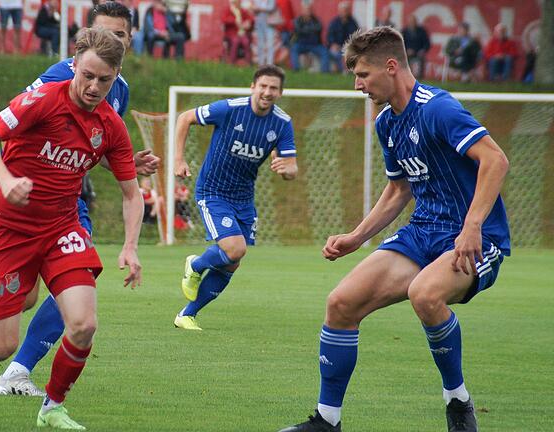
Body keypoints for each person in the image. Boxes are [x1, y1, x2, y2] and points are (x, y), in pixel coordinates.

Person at [0, 1, 160, 399]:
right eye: (103, 33)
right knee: (24, 300)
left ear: (128, 41)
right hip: (17, 207)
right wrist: (8, 177)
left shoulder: (118, 92)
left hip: (66, 207)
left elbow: (88, 144)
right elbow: (11, 128)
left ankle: (22, 374)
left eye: (118, 35)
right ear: (82, 44)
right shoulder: (57, 80)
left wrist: (122, 164)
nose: (110, 41)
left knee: (77, 296)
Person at [277, 26, 510, 432]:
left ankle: (457, 401)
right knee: (341, 303)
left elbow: (495, 161)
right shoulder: (387, 123)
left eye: (362, 75)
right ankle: (327, 422)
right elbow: (399, 189)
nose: (357, 86)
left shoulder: (438, 109)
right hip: (423, 232)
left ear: (391, 66)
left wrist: (472, 226)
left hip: (475, 238)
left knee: (425, 294)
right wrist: (356, 237)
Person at [0, 27, 142, 430]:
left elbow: (132, 194)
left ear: (117, 77)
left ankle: (52, 408)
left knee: (83, 324)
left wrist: (130, 246)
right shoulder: (41, 100)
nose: (95, 87)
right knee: (3, 344)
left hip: (62, 227)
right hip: (9, 228)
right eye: (88, 76)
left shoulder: (111, 126)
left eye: (105, 80)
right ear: (73, 66)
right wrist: (6, 181)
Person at [173, 64, 298, 331]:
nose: (267, 92)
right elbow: (185, 117)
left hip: (243, 198)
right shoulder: (230, 109)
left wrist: (288, 170)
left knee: (232, 262)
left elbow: (291, 167)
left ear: (280, 92)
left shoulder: (282, 123)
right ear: (253, 86)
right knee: (234, 249)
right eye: (263, 86)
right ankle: (195, 264)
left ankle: (187, 315)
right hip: (213, 191)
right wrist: (179, 159)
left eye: (273, 88)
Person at [290, 3, 329, 73]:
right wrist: (311, 30)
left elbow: (319, 28)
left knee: (324, 51)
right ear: (302, 11)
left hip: (314, 44)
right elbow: (298, 30)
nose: (308, 12)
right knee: (294, 49)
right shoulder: (298, 20)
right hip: (301, 44)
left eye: (309, 10)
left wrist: (305, 30)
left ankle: (325, 71)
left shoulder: (316, 20)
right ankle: (296, 69)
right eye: (306, 10)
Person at [326, 1, 357, 73]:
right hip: (336, 46)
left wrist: (348, 46)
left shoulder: (353, 22)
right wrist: (333, 44)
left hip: (348, 47)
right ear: (339, 11)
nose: (344, 12)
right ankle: (342, 70)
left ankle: (344, 70)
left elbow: (355, 36)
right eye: (343, 10)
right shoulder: (334, 22)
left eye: (346, 10)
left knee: (349, 54)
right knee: (335, 53)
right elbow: (330, 36)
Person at [222, 0, 253, 65]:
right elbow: (224, 20)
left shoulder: (242, 10)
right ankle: (232, 62)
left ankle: (248, 62)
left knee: (246, 42)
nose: (237, 3)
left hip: (242, 33)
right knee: (235, 42)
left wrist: (248, 22)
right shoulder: (229, 10)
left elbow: (251, 18)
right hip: (232, 33)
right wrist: (234, 21)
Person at [402, 15, 430, 79]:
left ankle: (419, 78)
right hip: (407, 53)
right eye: (411, 22)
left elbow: (427, 43)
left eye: (414, 21)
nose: (412, 23)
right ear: (408, 22)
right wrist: (406, 50)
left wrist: (423, 50)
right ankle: (407, 78)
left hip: (418, 53)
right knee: (403, 60)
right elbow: (401, 44)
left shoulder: (422, 31)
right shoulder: (404, 31)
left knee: (421, 59)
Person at [252, 0, 276, 65]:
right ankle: (261, 63)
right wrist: (256, 9)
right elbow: (254, 9)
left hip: (269, 23)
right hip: (259, 23)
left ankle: (270, 63)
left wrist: (260, 9)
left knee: (270, 44)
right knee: (260, 44)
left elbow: (271, 8)